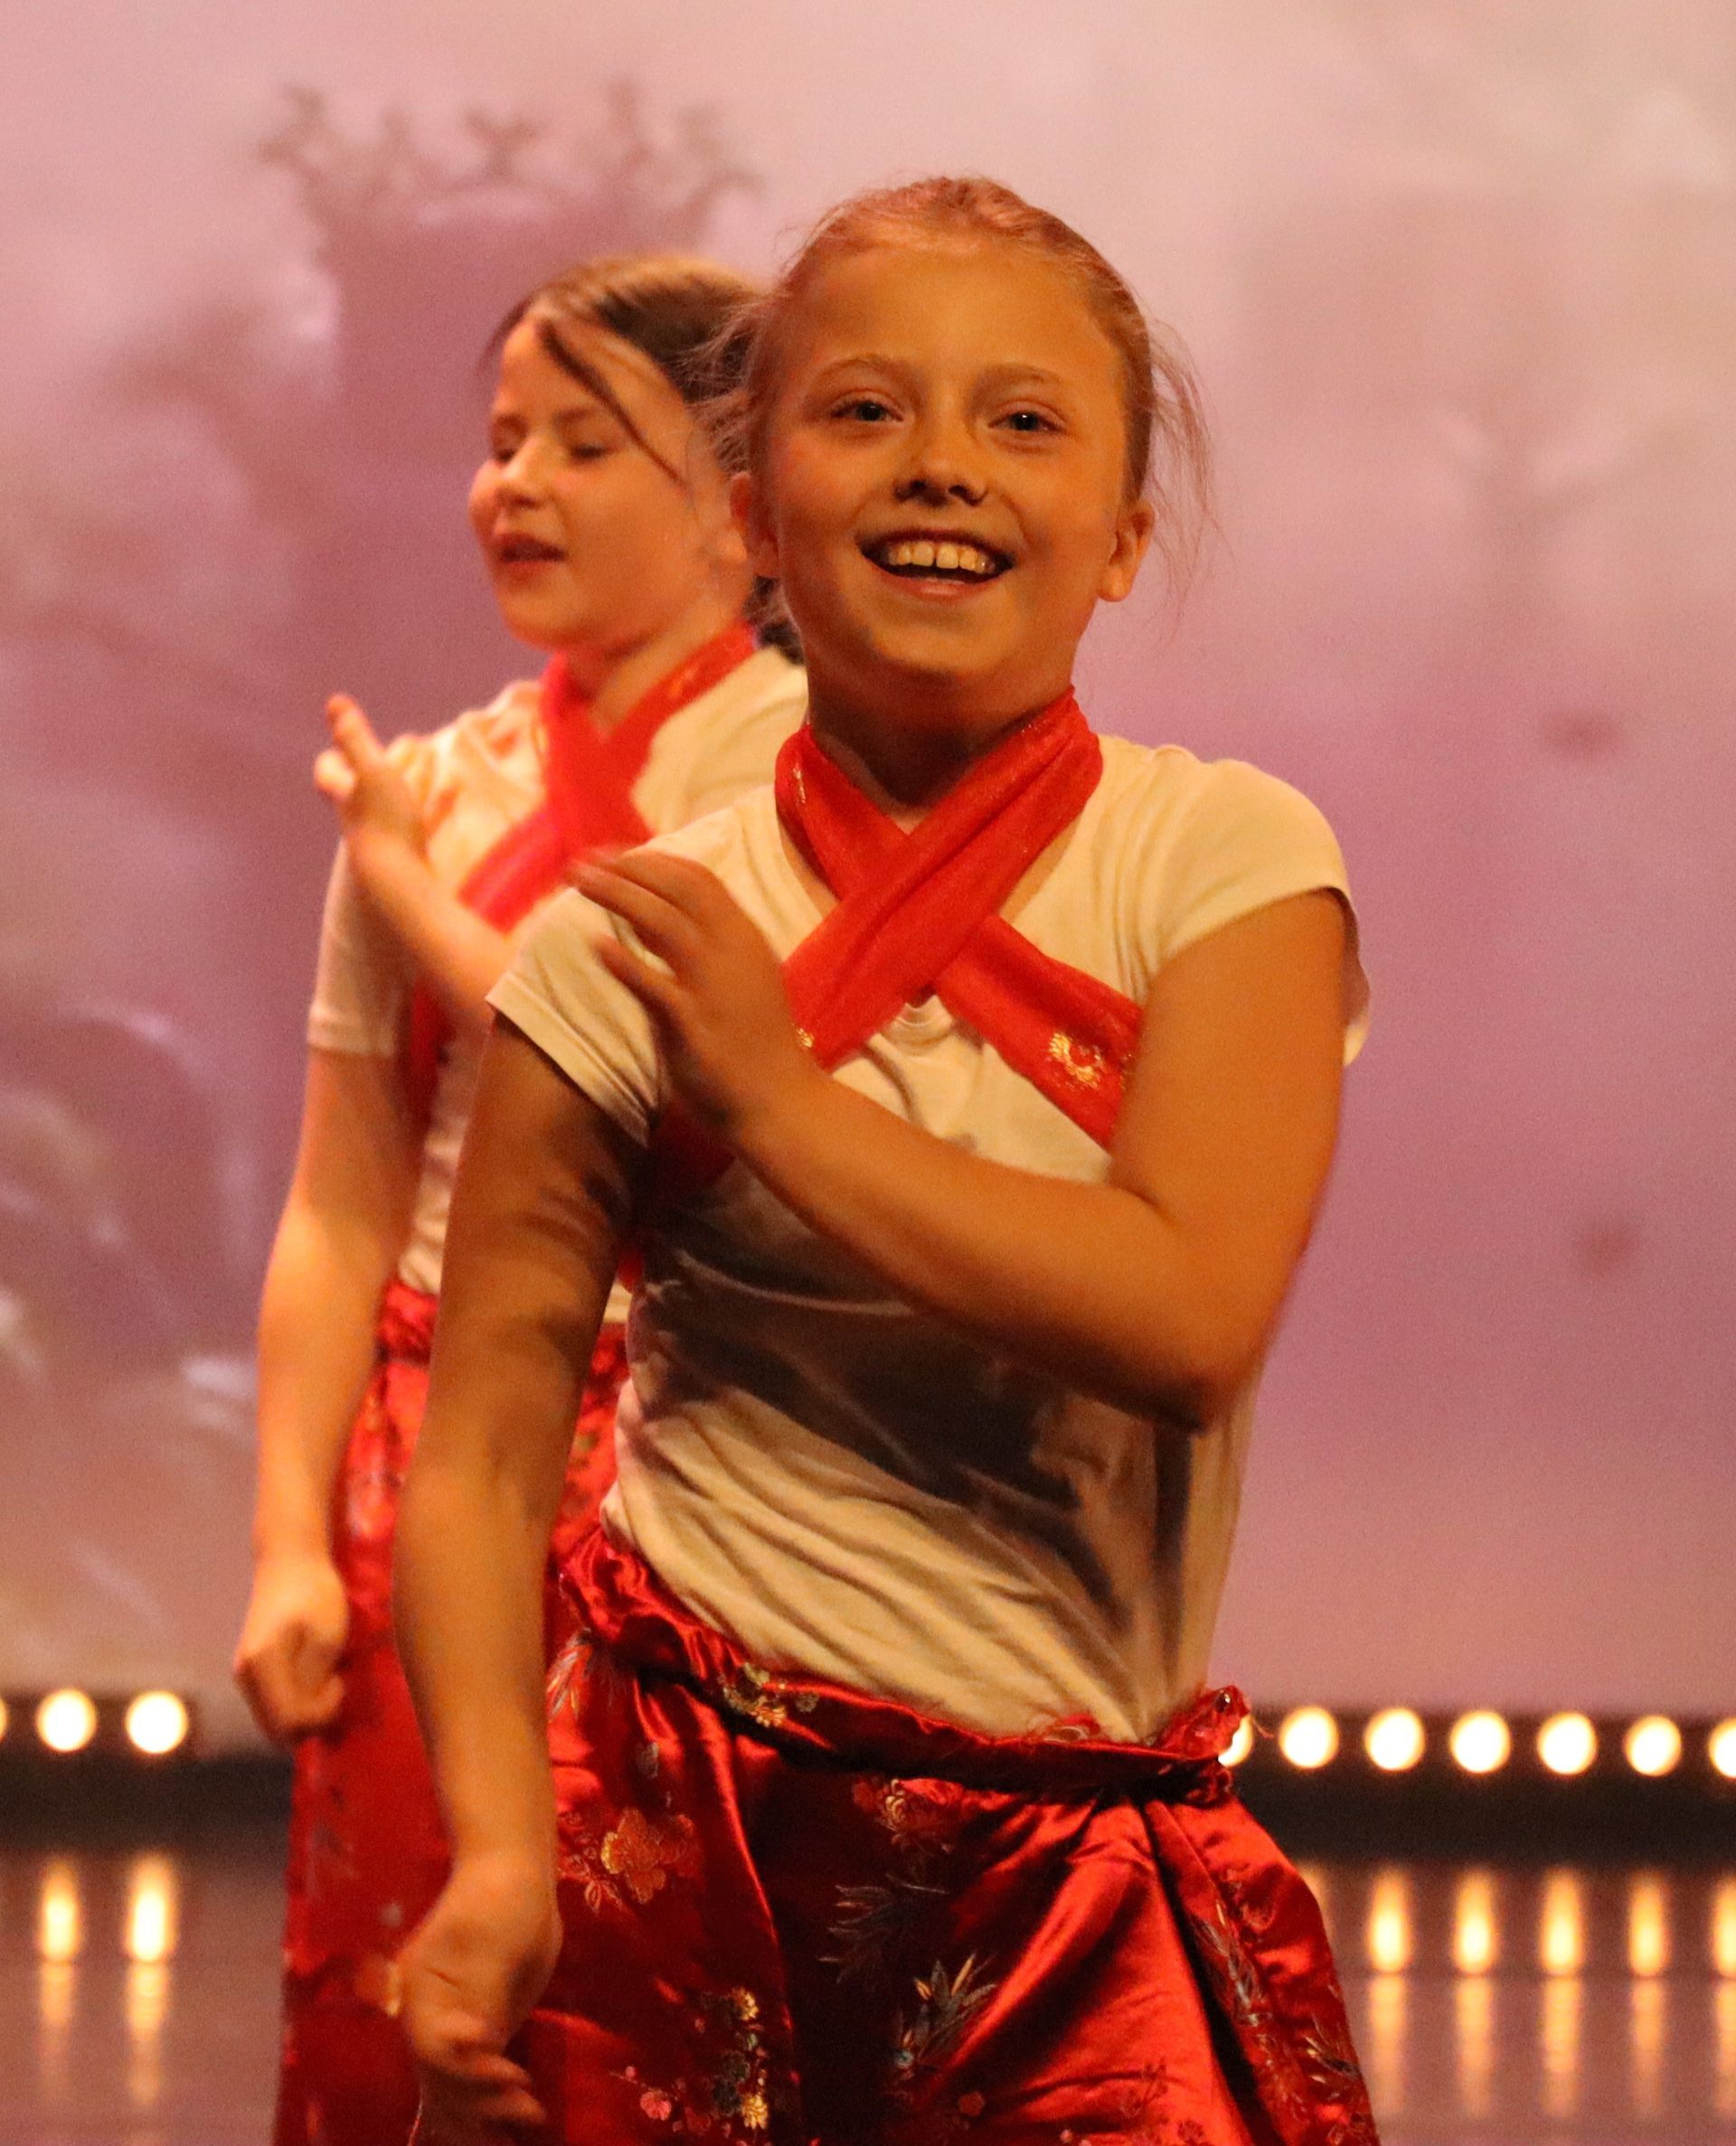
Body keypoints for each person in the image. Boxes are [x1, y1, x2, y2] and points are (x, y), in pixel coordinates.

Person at [396, 177, 1377, 2145]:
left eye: (1023, 420)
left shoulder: (1224, 863)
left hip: (1060, 1868)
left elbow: (1188, 1315)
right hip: (669, 1815)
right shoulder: (633, 936)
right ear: (755, 515)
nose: (943, 465)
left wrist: (776, 1104)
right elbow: (488, 1450)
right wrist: (497, 1847)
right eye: (865, 411)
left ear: (1124, 532)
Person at [232, 252, 806, 2146]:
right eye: (502, 442)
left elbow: (658, 1085)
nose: (518, 485)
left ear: (738, 503)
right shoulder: (430, 785)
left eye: (583, 441)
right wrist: (288, 1542)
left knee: (675, 2014)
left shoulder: (810, 791)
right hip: (434, 1459)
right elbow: (342, 1202)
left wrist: (406, 887)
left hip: (704, 1455)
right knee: (400, 2006)